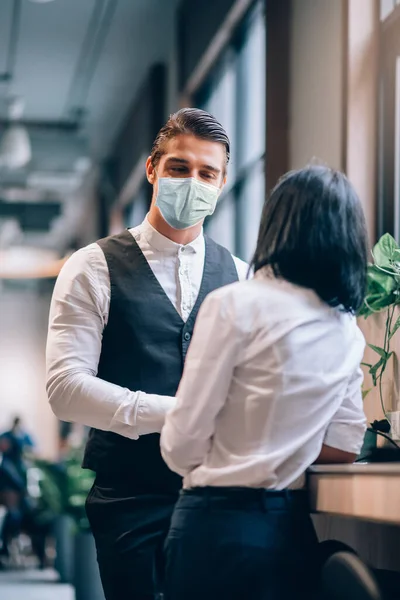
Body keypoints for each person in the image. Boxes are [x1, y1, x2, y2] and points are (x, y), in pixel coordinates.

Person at [46, 108, 247, 599]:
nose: (192, 182)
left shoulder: (242, 275)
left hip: (218, 494)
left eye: (207, 173)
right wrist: (177, 414)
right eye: (179, 168)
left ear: (222, 185)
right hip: (129, 496)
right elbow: (65, 389)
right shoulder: (92, 266)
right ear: (152, 169)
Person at [161, 165, 368, 600]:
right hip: (290, 531)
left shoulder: (235, 304)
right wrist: (287, 447)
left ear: (277, 226)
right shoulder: (347, 331)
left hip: (215, 526)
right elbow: (346, 446)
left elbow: (180, 445)